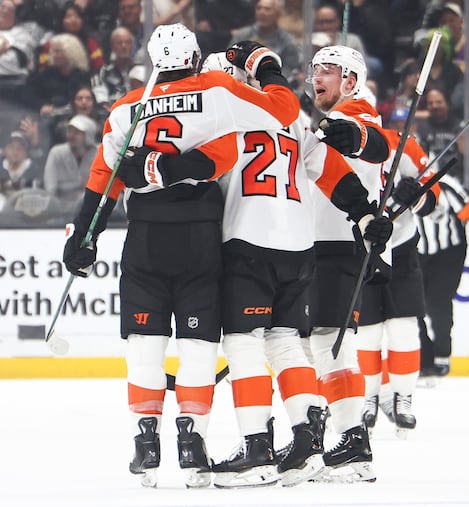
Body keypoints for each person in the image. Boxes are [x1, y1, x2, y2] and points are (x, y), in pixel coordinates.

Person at [60, 23, 301, 489]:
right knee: (197, 348)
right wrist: (264, 64)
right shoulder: (216, 87)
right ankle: (192, 446)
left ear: (153, 60)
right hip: (200, 239)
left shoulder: (127, 105)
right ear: (194, 57)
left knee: (144, 346)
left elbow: (103, 178)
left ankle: (145, 443)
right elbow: (279, 113)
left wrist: (83, 238)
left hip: (146, 237)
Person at [139, 51, 393, 488]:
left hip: (248, 243)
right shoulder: (292, 117)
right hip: (298, 248)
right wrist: (367, 214)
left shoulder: (224, 117)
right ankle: (306, 441)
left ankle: (256, 449)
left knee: (242, 343)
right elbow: (331, 170)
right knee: (286, 342)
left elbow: (198, 175)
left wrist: (151, 168)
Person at [306, 44, 393, 483]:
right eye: (315, 69)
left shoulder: (355, 112)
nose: (317, 77)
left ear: (352, 81)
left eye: (328, 70)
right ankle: (325, 433)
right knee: (311, 345)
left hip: (340, 243)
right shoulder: (331, 118)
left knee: (327, 344)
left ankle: (354, 443)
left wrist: (348, 136)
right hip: (322, 244)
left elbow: (367, 140)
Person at [356, 132, 438, 439]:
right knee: (367, 332)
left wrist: (414, 195)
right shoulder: (336, 136)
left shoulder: (398, 142)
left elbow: (432, 194)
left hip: (401, 248)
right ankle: (369, 397)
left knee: (404, 327)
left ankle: (403, 398)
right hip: (361, 249)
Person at [417, 173, 469, 380]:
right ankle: (424, 358)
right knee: (413, 307)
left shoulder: (446, 185)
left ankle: (441, 355)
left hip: (448, 253)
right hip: (414, 254)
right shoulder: (395, 183)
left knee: (438, 303)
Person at [229, 0, 302, 85]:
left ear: (278, 14)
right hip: (241, 84)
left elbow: (289, 69)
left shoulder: (287, 41)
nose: (262, 12)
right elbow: (229, 59)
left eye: (267, 9)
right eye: (259, 8)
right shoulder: (242, 35)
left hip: (273, 85)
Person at [43, 114, 98, 216]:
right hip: (60, 212)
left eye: (76, 132)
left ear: (88, 135)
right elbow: (50, 189)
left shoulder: (100, 153)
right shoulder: (56, 153)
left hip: (93, 211)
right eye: (69, 131)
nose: (71, 135)